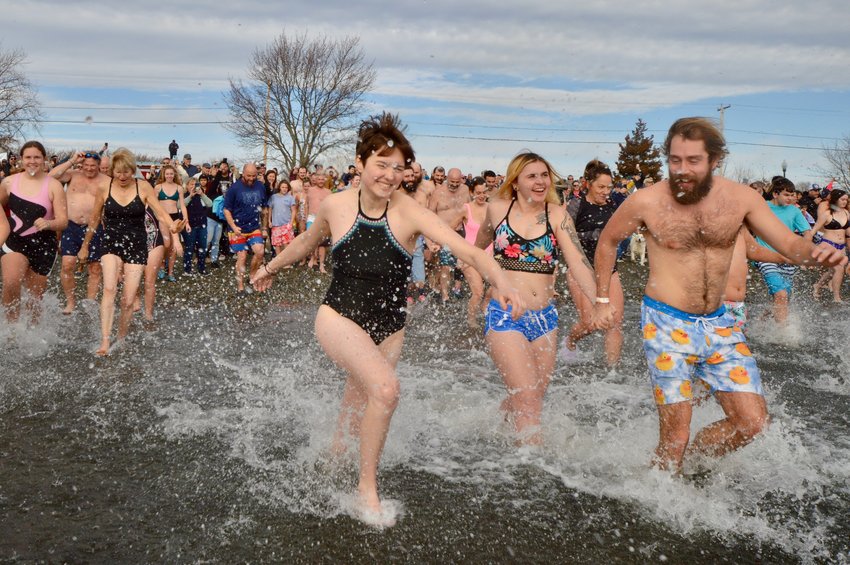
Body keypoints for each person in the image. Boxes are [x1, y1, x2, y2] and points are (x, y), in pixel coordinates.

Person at [251, 113, 523, 526]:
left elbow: (465, 249)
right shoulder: (336, 205)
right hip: (338, 316)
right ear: (360, 164)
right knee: (386, 389)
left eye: (398, 167)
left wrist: (499, 278)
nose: (391, 174)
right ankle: (367, 490)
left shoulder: (409, 211)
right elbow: (308, 241)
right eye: (382, 164)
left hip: (390, 328)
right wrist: (269, 269)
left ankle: (333, 457)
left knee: (358, 402)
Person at [590, 117, 846, 472]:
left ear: (715, 160)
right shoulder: (647, 201)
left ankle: (690, 470)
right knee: (675, 436)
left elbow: (788, 243)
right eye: (675, 160)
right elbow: (608, 241)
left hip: (720, 324)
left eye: (693, 160)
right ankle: (662, 488)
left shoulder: (741, 198)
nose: (682, 169)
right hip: (666, 323)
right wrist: (602, 299)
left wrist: (816, 255)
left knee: (752, 422)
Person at [475, 151, 597, 445]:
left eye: (545, 175)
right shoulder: (497, 209)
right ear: (515, 182)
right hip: (505, 314)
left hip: (545, 318)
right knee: (528, 399)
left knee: (531, 398)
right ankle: (530, 467)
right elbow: (476, 252)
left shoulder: (556, 215)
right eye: (532, 176)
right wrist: (481, 289)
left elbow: (578, 261)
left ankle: (493, 434)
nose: (541, 181)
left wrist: (598, 302)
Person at [78, 148, 184, 355]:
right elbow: (94, 219)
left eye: (126, 171)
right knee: (109, 288)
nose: (122, 176)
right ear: (112, 171)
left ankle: (121, 337)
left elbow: (161, 213)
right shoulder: (104, 187)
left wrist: (172, 227)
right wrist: (85, 245)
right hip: (111, 242)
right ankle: (105, 342)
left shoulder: (143, 186)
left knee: (128, 299)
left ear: (133, 170)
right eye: (118, 172)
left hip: (137, 244)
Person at [0, 141, 68, 321]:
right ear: (21, 160)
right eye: (28, 157)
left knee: (34, 299)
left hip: (44, 245)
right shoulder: (8, 182)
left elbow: (63, 221)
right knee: (11, 281)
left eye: (37, 157)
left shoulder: (54, 185)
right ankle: (12, 326)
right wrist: (3, 227)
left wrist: (49, 224)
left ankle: (33, 334)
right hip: (16, 241)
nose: (32, 161)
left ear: (44, 159)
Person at [565, 160, 624, 366]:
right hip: (582, 269)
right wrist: (596, 234)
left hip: (609, 270)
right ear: (588, 184)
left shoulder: (612, 205)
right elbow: (566, 236)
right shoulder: (576, 204)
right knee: (590, 323)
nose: (606, 191)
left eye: (609, 187)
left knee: (614, 322)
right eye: (601, 187)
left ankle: (612, 372)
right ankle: (570, 340)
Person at [50, 150, 110, 314]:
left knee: (95, 268)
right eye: (87, 165)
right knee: (67, 264)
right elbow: (50, 176)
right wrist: (71, 160)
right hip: (71, 225)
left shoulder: (106, 181)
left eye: (93, 166)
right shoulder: (73, 174)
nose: (90, 169)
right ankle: (71, 302)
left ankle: (90, 303)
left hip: (95, 227)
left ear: (99, 166)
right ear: (81, 164)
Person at [753, 177, 812, 324]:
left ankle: (760, 323)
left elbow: (807, 233)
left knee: (781, 298)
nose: (791, 198)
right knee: (781, 295)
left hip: (788, 259)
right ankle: (783, 334)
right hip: (766, 257)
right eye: (786, 195)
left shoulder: (794, 211)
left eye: (792, 195)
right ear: (775, 194)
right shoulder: (762, 207)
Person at [223, 163, 267, 293]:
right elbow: (226, 210)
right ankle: (240, 286)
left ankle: (252, 275)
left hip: (254, 227)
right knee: (242, 256)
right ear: (243, 173)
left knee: (260, 252)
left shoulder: (260, 186)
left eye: (254, 175)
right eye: (249, 176)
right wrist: (233, 226)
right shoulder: (234, 189)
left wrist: (264, 227)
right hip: (237, 228)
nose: (251, 178)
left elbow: (264, 209)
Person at [429, 168, 469, 302]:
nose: (454, 184)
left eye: (457, 182)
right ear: (447, 179)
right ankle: (445, 295)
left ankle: (457, 289)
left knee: (460, 264)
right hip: (444, 233)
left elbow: (470, 209)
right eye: (452, 181)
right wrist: (431, 238)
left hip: (460, 232)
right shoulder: (438, 193)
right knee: (445, 265)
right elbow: (430, 214)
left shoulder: (465, 190)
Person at [808, 189, 850, 302]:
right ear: (836, 199)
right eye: (842, 199)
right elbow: (814, 230)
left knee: (832, 271)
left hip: (841, 247)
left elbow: (847, 232)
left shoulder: (846, 213)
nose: (845, 202)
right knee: (839, 269)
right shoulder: (827, 214)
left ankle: (817, 285)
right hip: (828, 245)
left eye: (846, 199)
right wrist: (806, 244)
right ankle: (837, 297)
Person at [460, 177, 489, 327]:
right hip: (470, 257)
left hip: (490, 256)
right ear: (472, 193)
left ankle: (485, 306)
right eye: (478, 193)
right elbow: (449, 230)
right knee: (478, 292)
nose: (482, 195)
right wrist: (459, 254)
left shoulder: (491, 208)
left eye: (484, 192)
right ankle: (471, 321)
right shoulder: (466, 209)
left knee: (496, 288)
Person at [155, 164, 188, 282]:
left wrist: (186, 221)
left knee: (174, 247)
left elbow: (183, 206)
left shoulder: (179, 188)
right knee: (166, 244)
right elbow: (154, 204)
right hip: (163, 218)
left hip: (175, 218)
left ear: (174, 175)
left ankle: (171, 272)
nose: (169, 176)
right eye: (167, 174)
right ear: (164, 175)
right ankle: (162, 265)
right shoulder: (158, 187)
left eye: (171, 173)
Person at [183, 177, 211, 275]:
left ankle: (201, 268)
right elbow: (179, 205)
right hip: (189, 225)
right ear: (186, 186)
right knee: (189, 248)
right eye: (191, 184)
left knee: (202, 247)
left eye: (195, 184)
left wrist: (202, 194)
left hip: (202, 224)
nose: (193, 187)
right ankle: (187, 269)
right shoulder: (184, 195)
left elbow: (210, 204)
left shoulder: (200, 195)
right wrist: (190, 196)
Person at [266, 179, 297, 256]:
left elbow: (294, 211)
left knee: (286, 243)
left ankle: (286, 261)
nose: (284, 189)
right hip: (276, 224)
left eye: (286, 187)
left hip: (286, 224)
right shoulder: (273, 197)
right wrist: (269, 221)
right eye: (283, 187)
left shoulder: (290, 198)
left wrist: (291, 222)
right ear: (279, 187)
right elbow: (270, 209)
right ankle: (278, 260)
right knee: (277, 244)